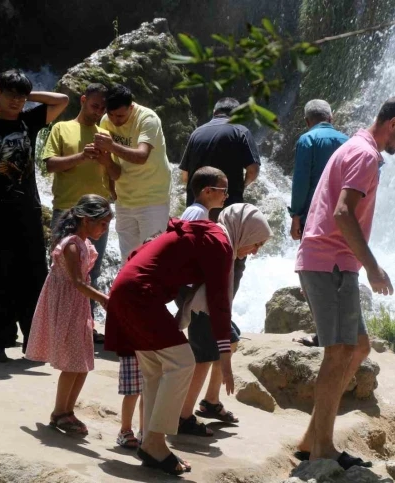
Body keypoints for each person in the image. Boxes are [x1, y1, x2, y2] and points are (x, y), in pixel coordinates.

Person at [294, 96, 395, 467]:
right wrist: (373, 267)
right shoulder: (365, 155)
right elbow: (342, 213)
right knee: (338, 353)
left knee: (359, 347)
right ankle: (322, 449)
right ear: (394, 123)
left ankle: (311, 438)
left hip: (330, 261)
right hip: (331, 262)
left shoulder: (355, 146)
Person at [104, 204, 272, 476]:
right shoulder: (219, 243)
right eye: (257, 243)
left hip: (127, 289)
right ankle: (156, 443)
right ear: (245, 231)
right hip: (140, 295)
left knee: (156, 371)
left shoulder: (209, 234)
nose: (255, 251)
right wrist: (225, 358)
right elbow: (219, 302)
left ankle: (150, 442)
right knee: (183, 362)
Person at [0, 69, 69, 362]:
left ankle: (33, 343)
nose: (15, 101)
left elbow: (62, 100)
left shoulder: (28, 120)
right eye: (10, 95)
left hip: (28, 213)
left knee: (33, 276)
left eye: (20, 97)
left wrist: (26, 95)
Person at [25, 195, 113, 435]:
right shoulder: (72, 245)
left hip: (78, 304)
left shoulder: (84, 243)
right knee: (73, 362)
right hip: (69, 304)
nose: (105, 229)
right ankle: (59, 412)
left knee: (83, 363)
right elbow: (75, 281)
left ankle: (68, 411)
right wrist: (103, 299)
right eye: (103, 224)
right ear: (86, 220)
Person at [43, 83, 119, 344]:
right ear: (84, 100)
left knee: (93, 271)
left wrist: (106, 159)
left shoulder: (105, 134)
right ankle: (53, 325)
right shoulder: (61, 128)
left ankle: (87, 326)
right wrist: (81, 157)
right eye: (95, 105)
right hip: (66, 210)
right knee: (60, 270)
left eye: (103, 108)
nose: (98, 112)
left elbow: (115, 174)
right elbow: (50, 165)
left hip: (97, 215)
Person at [178, 97, 261, 323]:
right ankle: (220, 316)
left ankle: (195, 314)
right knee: (232, 262)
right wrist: (237, 188)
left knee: (199, 263)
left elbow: (185, 175)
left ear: (215, 112)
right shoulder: (240, 130)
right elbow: (253, 169)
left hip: (198, 209)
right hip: (229, 213)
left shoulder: (196, 134)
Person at [176, 167, 242, 436]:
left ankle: (211, 401)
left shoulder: (202, 213)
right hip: (196, 294)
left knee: (231, 339)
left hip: (196, 291)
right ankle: (183, 416)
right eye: (223, 190)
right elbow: (185, 248)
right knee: (203, 357)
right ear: (207, 191)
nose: (226, 195)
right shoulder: (197, 213)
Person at [96, 85, 172, 262]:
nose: (115, 120)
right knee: (128, 260)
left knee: (153, 260)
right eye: (111, 114)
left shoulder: (148, 119)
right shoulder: (106, 121)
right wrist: (112, 190)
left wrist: (111, 145)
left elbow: (141, 156)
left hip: (153, 199)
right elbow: (111, 164)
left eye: (121, 116)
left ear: (131, 107)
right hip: (124, 200)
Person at [289, 99, 349, 240]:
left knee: (314, 260)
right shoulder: (348, 141)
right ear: (330, 118)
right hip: (342, 217)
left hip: (314, 217)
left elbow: (301, 182)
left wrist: (296, 216)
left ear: (307, 121)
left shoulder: (307, 140)